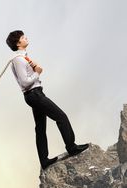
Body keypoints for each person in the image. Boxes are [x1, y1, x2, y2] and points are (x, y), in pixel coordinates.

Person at [6, 30, 89, 170]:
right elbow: (25, 82)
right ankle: (72, 147)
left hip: (34, 94)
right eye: (23, 37)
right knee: (61, 117)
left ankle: (44, 160)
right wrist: (37, 72)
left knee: (40, 128)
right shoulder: (18, 60)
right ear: (18, 42)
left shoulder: (22, 58)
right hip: (34, 94)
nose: (26, 38)